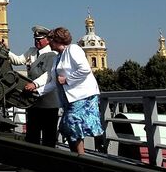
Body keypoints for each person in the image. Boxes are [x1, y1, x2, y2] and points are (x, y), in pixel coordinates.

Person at [32, 27, 104, 155]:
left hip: (82, 96)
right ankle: (76, 156)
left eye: (50, 40)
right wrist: (37, 91)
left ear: (57, 40)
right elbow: (53, 82)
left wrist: (67, 80)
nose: (49, 43)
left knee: (72, 124)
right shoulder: (57, 58)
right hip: (69, 98)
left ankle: (81, 157)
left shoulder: (73, 49)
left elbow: (85, 69)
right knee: (67, 128)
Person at [8, 25, 60, 147]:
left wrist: (35, 84)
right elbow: (18, 60)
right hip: (32, 102)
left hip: (48, 102)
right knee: (32, 135)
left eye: (39, 39)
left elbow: (49, 75)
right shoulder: (32, 51)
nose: (37, 41)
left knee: (48, 136)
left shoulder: (51, 54)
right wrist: (6, 51)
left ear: (47, 40)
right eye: (35, 39)